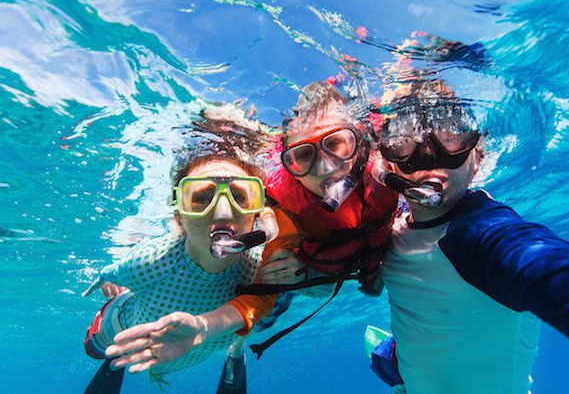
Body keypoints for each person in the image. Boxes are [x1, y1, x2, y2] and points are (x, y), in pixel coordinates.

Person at [101, 80, 400, 374]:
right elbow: (256, 300)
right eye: (304, 156)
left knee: (375, 288)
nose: (326, 168)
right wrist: (204, 327)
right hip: (311, 277)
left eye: (335, 144)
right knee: (270, 309)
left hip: (366, 265)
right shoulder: (284, 214)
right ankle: (238, 341)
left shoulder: (394, 169)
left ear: (359, 140)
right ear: (289, 166)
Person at [372, 78, 569, 394]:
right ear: (391, 161)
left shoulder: (479, 233)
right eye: (406, 142)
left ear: (478, 158)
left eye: (450, 136)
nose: (430, 155)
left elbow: (554, 270)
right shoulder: (391, 226)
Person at [81, 135, 279, 393]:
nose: (222, 211)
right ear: (179, 217)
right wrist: (107, 277)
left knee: (258, 317)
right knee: (93, 349)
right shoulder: (153, 259)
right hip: (128, 328)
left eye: (240, 197)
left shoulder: (261, 264)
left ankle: (237, 346)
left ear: (257, 213)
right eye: (201, 198)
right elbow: (115, 270)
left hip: (204, 343)